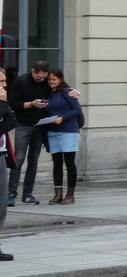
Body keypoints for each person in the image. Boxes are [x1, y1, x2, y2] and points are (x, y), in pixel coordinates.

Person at [6, 61, 80, 207]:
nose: (42, 80)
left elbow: (62, 87)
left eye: (44, 77)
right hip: (23, 125)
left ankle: (28, 194)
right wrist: (31, 104)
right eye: (38, 77)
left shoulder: (48, 82)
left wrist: (76, 91)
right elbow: (12, 104)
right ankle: (11, 194)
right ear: (32, 71)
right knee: (18, 159)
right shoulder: (21, 81)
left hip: (41, 127)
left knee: (34, 160)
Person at [44, 68, 83, 205]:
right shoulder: (49, 93)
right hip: (53, 132)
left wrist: (63, 118)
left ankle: (70, 195)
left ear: (60, 79)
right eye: (49, 79)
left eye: (54, 79)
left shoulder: (67, 91)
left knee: (69, 163)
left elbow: (77, 110)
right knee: (57, 164)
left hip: (68, 131)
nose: (51, 82)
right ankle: (58, 195)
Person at [1, 69, 17, 260]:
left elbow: (11, 120)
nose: (5, 84)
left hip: (1, 155)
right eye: (1, 81)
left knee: (1, 204)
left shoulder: (3, 100)